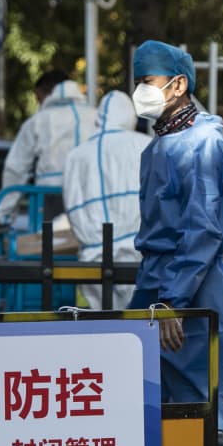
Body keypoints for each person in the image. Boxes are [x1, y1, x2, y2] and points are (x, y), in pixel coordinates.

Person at [129, 41, 223, 446]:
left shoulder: (203, 142)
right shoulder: (157, 147)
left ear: (178, 85)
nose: (140, 91)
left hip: (195, 283)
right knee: (162, 403)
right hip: (161, 284)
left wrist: (173, 300)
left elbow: (203, 228)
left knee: (210, 409)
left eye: (148, 81)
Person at [61, 90, 151, 309]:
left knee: (100, 321)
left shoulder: (75, 156)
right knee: (141, 321)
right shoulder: (145, 145)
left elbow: (71, 202)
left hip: (92, 257)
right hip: (138, 253)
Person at [2, 69, 97, 221]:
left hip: (51, 200)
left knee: (52, 235)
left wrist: (5, 214)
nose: (39, 104)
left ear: (46, 93)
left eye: (38, 99)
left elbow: (16, 168)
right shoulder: (96, 117)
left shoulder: (38, 121)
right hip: (93, 197)